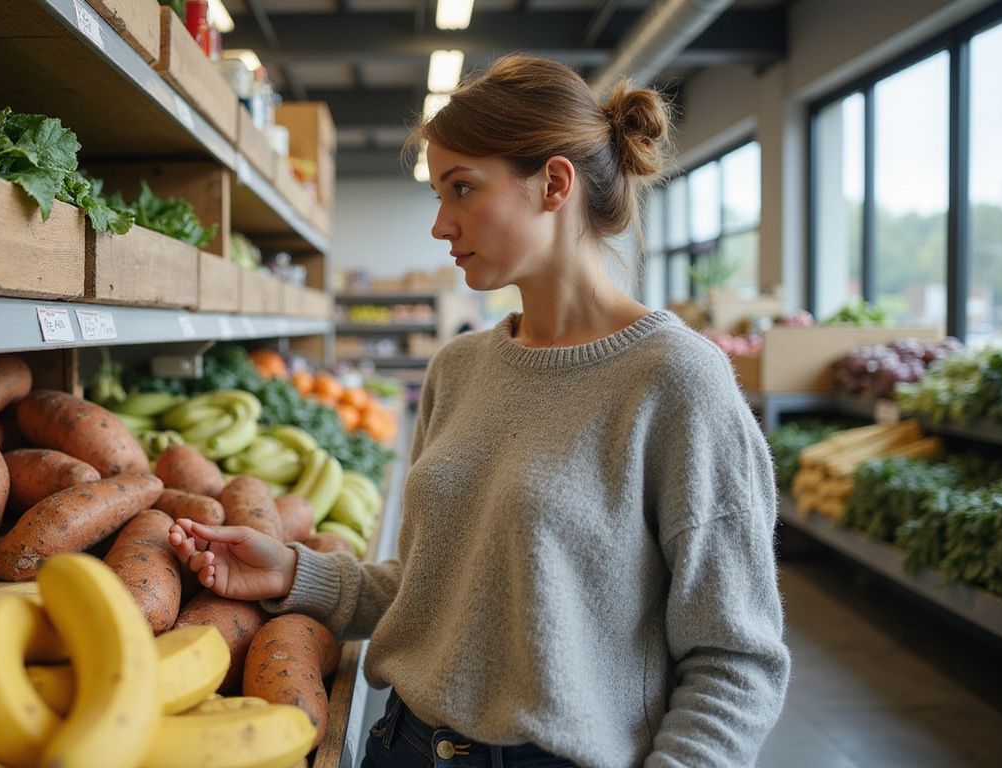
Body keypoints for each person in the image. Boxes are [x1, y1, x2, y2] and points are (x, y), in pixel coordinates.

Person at [169, 54, 790, 767]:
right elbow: (427, 588)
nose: (440, 225)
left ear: (554, 184)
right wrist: (291, 572)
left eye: (461, 189)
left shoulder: (677, 381)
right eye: (440, 193)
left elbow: (736, 661)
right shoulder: (458, 369)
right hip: (400, 743)